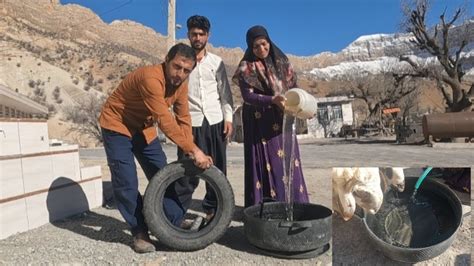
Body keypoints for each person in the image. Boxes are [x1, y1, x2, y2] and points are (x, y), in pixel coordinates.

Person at [99, 43, 213, 253]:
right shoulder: (151, 78)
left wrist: (189, 148)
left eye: (186, 70)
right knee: (127, 182)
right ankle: (139, 231)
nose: (180, 74)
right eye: (177, 67)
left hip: (143, 127)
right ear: (166, 61)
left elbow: (184, 117)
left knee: (163, 175)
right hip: (117, 125)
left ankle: (170, 222)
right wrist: (196, 150)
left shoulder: (181, 84)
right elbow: (165, 120)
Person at [232, 25, 309, 208]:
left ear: (269, 41)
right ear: (250, 47)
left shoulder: (282, 63)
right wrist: (272, 99)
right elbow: (248, 96)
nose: (261, 49)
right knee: (264, 163)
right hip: (258, 120)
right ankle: (264, 207)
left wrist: (304, 106)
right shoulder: (246, 67)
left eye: (264, 44)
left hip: (282, 118)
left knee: (288, 160)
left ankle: (295, 205)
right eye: (256, 46)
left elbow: (295, 89)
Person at [175, 15, 233, 222]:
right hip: (190, 123)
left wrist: (228, 119)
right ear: (188, 35)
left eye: (201, 34)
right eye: (194, 34)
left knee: (217, 170)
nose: (197, 37)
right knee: (186, 171)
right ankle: (176, 214)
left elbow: (225, 93)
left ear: (208, 36)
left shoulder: (216, 62)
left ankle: (215, 212)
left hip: (215, 121)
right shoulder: (181, 61)